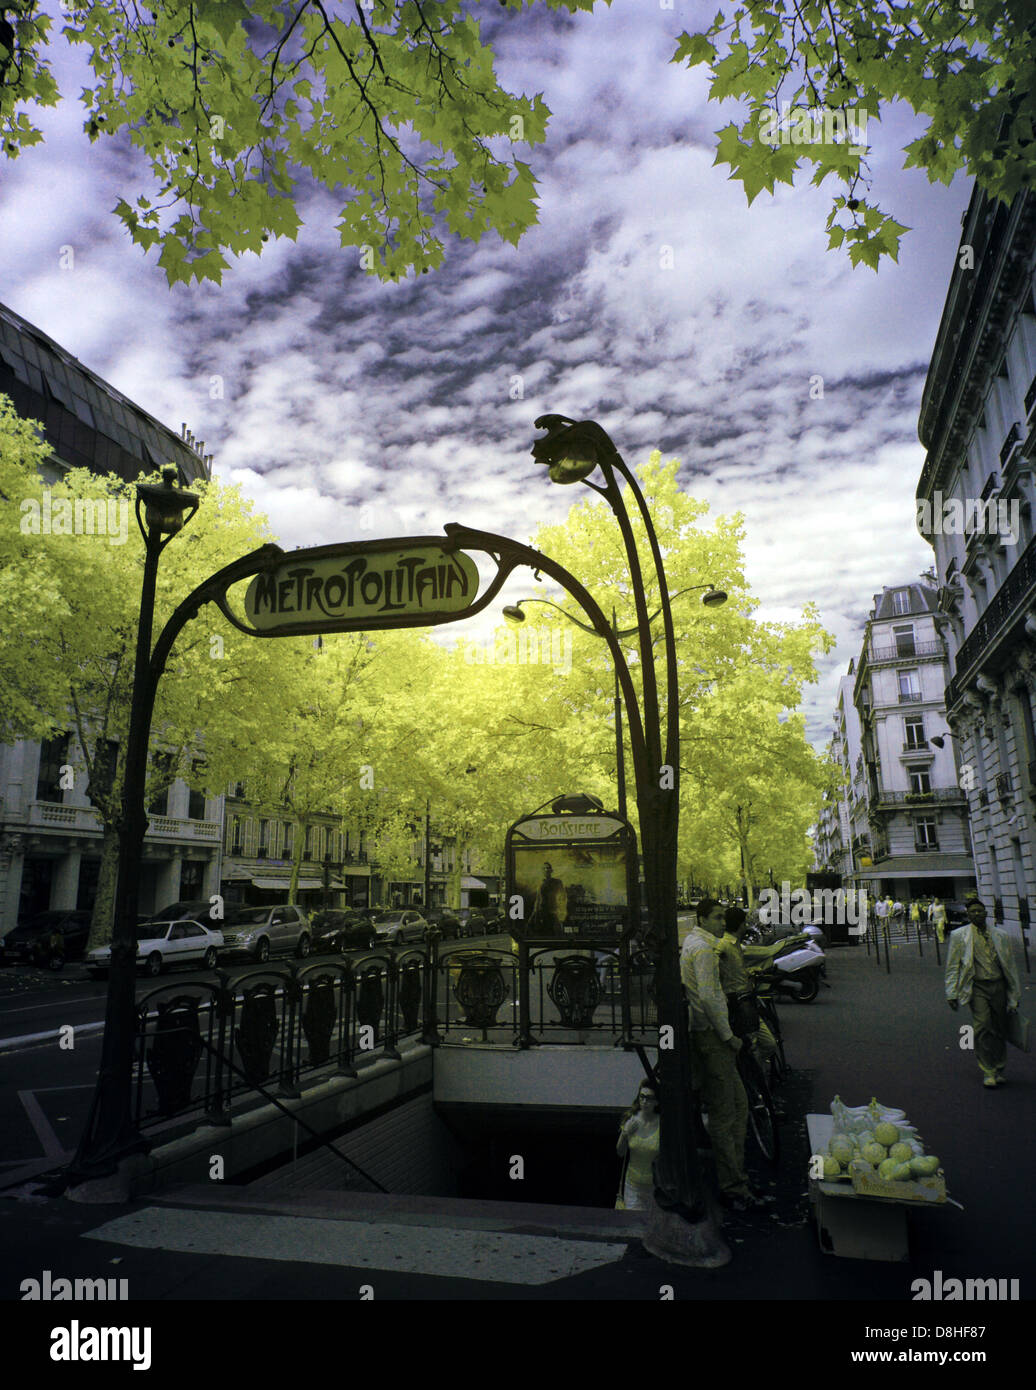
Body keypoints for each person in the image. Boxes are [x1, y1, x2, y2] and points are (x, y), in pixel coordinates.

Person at [681, 897, 769, 1212]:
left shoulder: (694, 942)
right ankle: (732, 1185)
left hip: (706, 1033)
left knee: (736, 1106)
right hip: (712, 1035)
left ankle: (736, 1179)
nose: (723, 923)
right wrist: (728, 1035)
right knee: (728, 1111)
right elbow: (709, 995)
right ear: (702, 919)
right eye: (717, 917)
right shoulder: (704, 949)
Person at [945, 898, 1021, 1087]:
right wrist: (951, 992)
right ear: (968, 915)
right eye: (972, 912)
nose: (976, 914)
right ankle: (988, 1070)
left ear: (986, 913)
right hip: (977, 987)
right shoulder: (959, 936)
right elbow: (952, 966)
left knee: (999, 1028)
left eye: (979, 911)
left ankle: (999, 1067)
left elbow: (1010, 967)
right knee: (982, 1027)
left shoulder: (1000, 935)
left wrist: (1014, 995)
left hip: (999, 986)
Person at [715, 906, 779, 1069]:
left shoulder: (735, 945)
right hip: (738, 1003)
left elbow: (734, 970)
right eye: (744, 923)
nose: (746, 926)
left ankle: (754, 1074)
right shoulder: (723, 946)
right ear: (739, 924)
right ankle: (755, 1078)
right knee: (754, 1045)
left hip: (746, 1000)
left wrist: (749, 972)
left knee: (765, 1043)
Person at [615, 1083, 661, 1211]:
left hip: (655, 1186)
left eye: (649, 1098)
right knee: (634, 1223)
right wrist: (625, 1134)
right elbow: (620, 1152)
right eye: (642, 1097)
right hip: (633, 1185)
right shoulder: (632, 1121)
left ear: (656, 1102)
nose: (644, 1101)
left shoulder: (662, 1124)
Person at [528, 862, 568, 936]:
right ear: (542, 871)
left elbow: (563, 898)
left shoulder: (557, 882)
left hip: (553, 912)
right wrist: (534, 913)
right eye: (544, 868)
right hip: (542, 912)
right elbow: (538, 899)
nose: (546, 870)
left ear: (551, 870)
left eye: (548, 868)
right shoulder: (539, 883)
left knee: (556, 933)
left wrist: (562, 914)